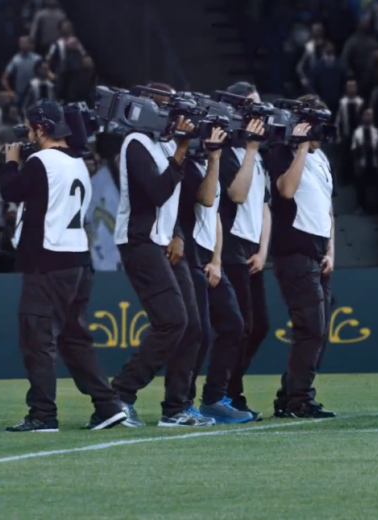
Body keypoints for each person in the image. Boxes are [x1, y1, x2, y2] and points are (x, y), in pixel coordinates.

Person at [0, 100, 127, 433]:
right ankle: (107, 405)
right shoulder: (77, 162)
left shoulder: (41, 161)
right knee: (74, 339)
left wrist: (10, 162)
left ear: (41, 129)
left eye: (30, 129)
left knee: (37, 338)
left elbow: (10, 190)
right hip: (78, 260)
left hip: (49, 260)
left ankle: (42, 414)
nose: (27, 136)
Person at [110, 85, 217, 428]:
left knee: (193, 326)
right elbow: (157, 193)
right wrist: (182, 148)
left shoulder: (167, 144)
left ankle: (175, 408)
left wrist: (179, 235)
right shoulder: (136, 143)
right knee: (171, 321)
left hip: (165, 241)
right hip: (139, 241)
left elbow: (176, 202)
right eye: (169, 109)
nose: (176, 116)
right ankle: (120, 393)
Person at [266, 94, 336, 419]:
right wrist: (301, 148)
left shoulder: (322, 158)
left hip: (319, 253)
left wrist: (331, 250)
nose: (322, 132)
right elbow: (286, 190)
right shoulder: (281, 152)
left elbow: (327, 206)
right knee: (310, 329)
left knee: (317, 332)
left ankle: (290, 396)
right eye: (317, 124)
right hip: (294, 251)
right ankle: (298, 400)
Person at [181, 131, 252, 424]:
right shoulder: (187, 167)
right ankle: (181, 401)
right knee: (197, 333)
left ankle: (213, 398)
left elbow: (217, 218)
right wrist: (214, 158)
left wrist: (217, 260)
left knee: (234, 325)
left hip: (210, 259)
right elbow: (207, 200)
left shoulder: (207, 165)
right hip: (191, 256)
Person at [221, 84, 272, 420]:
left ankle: (229, 389)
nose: (259, 114)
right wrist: (251, 149)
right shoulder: (227, 152)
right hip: (230, 245)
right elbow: (237, 195)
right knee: (240, 326)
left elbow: (265, 206)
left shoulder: (258, 157)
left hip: (252, 248)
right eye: (252, 107)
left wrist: (263, 250)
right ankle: (228, 394)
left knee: (259, 326)